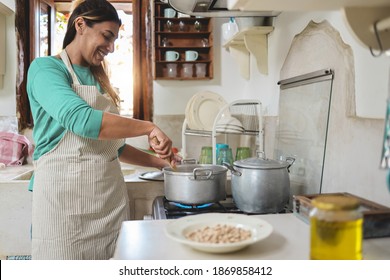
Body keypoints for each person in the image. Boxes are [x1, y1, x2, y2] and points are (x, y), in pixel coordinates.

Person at [26, 0, 177, 260]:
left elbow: (111, 146)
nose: (111, 47)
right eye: (107, 37)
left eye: (114, 40)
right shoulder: (46, 69)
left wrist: (163, 163)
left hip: (107, 205)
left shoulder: (100, 82)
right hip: (63, 207)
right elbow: (81, 120)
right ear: (81, 25)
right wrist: (148, 127)